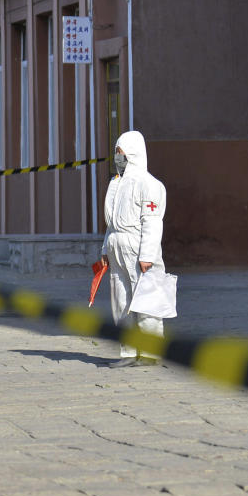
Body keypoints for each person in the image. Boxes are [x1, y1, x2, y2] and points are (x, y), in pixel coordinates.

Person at [101, 130, 168, 367]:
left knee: (146, 299)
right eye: (116, 152)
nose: (117, 157)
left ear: (132, 153)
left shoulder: (149, 184)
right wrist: (105, 250)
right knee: (121, 301)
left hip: (137, 247)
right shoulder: (116, 184)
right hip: (117, 247)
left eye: (120, 152)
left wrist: (147, 254)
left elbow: (151, 221)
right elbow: (111, 223)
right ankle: (128, 351)